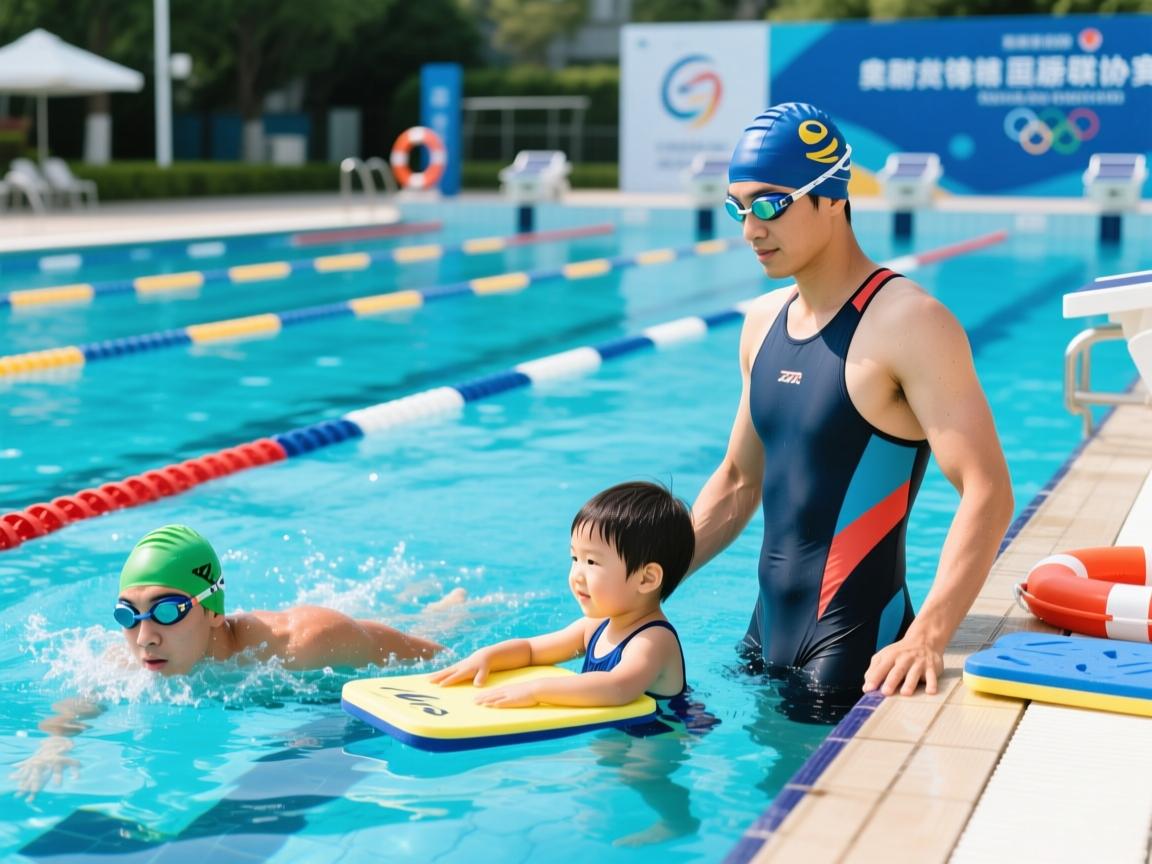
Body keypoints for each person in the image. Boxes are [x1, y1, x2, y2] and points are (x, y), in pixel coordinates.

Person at [690, 102, 1014, 712]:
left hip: (858, 647)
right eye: (737, 207)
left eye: (769, 204)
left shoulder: (911, 322)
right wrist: (644, 589)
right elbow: (737, 482)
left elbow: (987, 489)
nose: (750, 229)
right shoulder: (762, 323)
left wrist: (929, 637)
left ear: (832, 196)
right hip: (762, 635)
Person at [13, 524, 458, 800]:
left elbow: (435, 658)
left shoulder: (305, 643)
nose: (145, 637)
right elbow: (81, 701)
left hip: (361, 646)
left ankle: (438, 607)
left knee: (431, 627)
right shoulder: (129, 658)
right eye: (128, 615)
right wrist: (56, 742)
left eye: (168, 610)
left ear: (213, 611)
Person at [430, 481, 694, 710]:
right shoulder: (596, 627)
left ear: (646, 578)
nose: (577, 574)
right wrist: (487, 657)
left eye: (591, 562)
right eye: (574, 558)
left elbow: (618, 688)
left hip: (659, 738)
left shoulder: (654, 640)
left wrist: (536, 690)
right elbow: (532, 651)